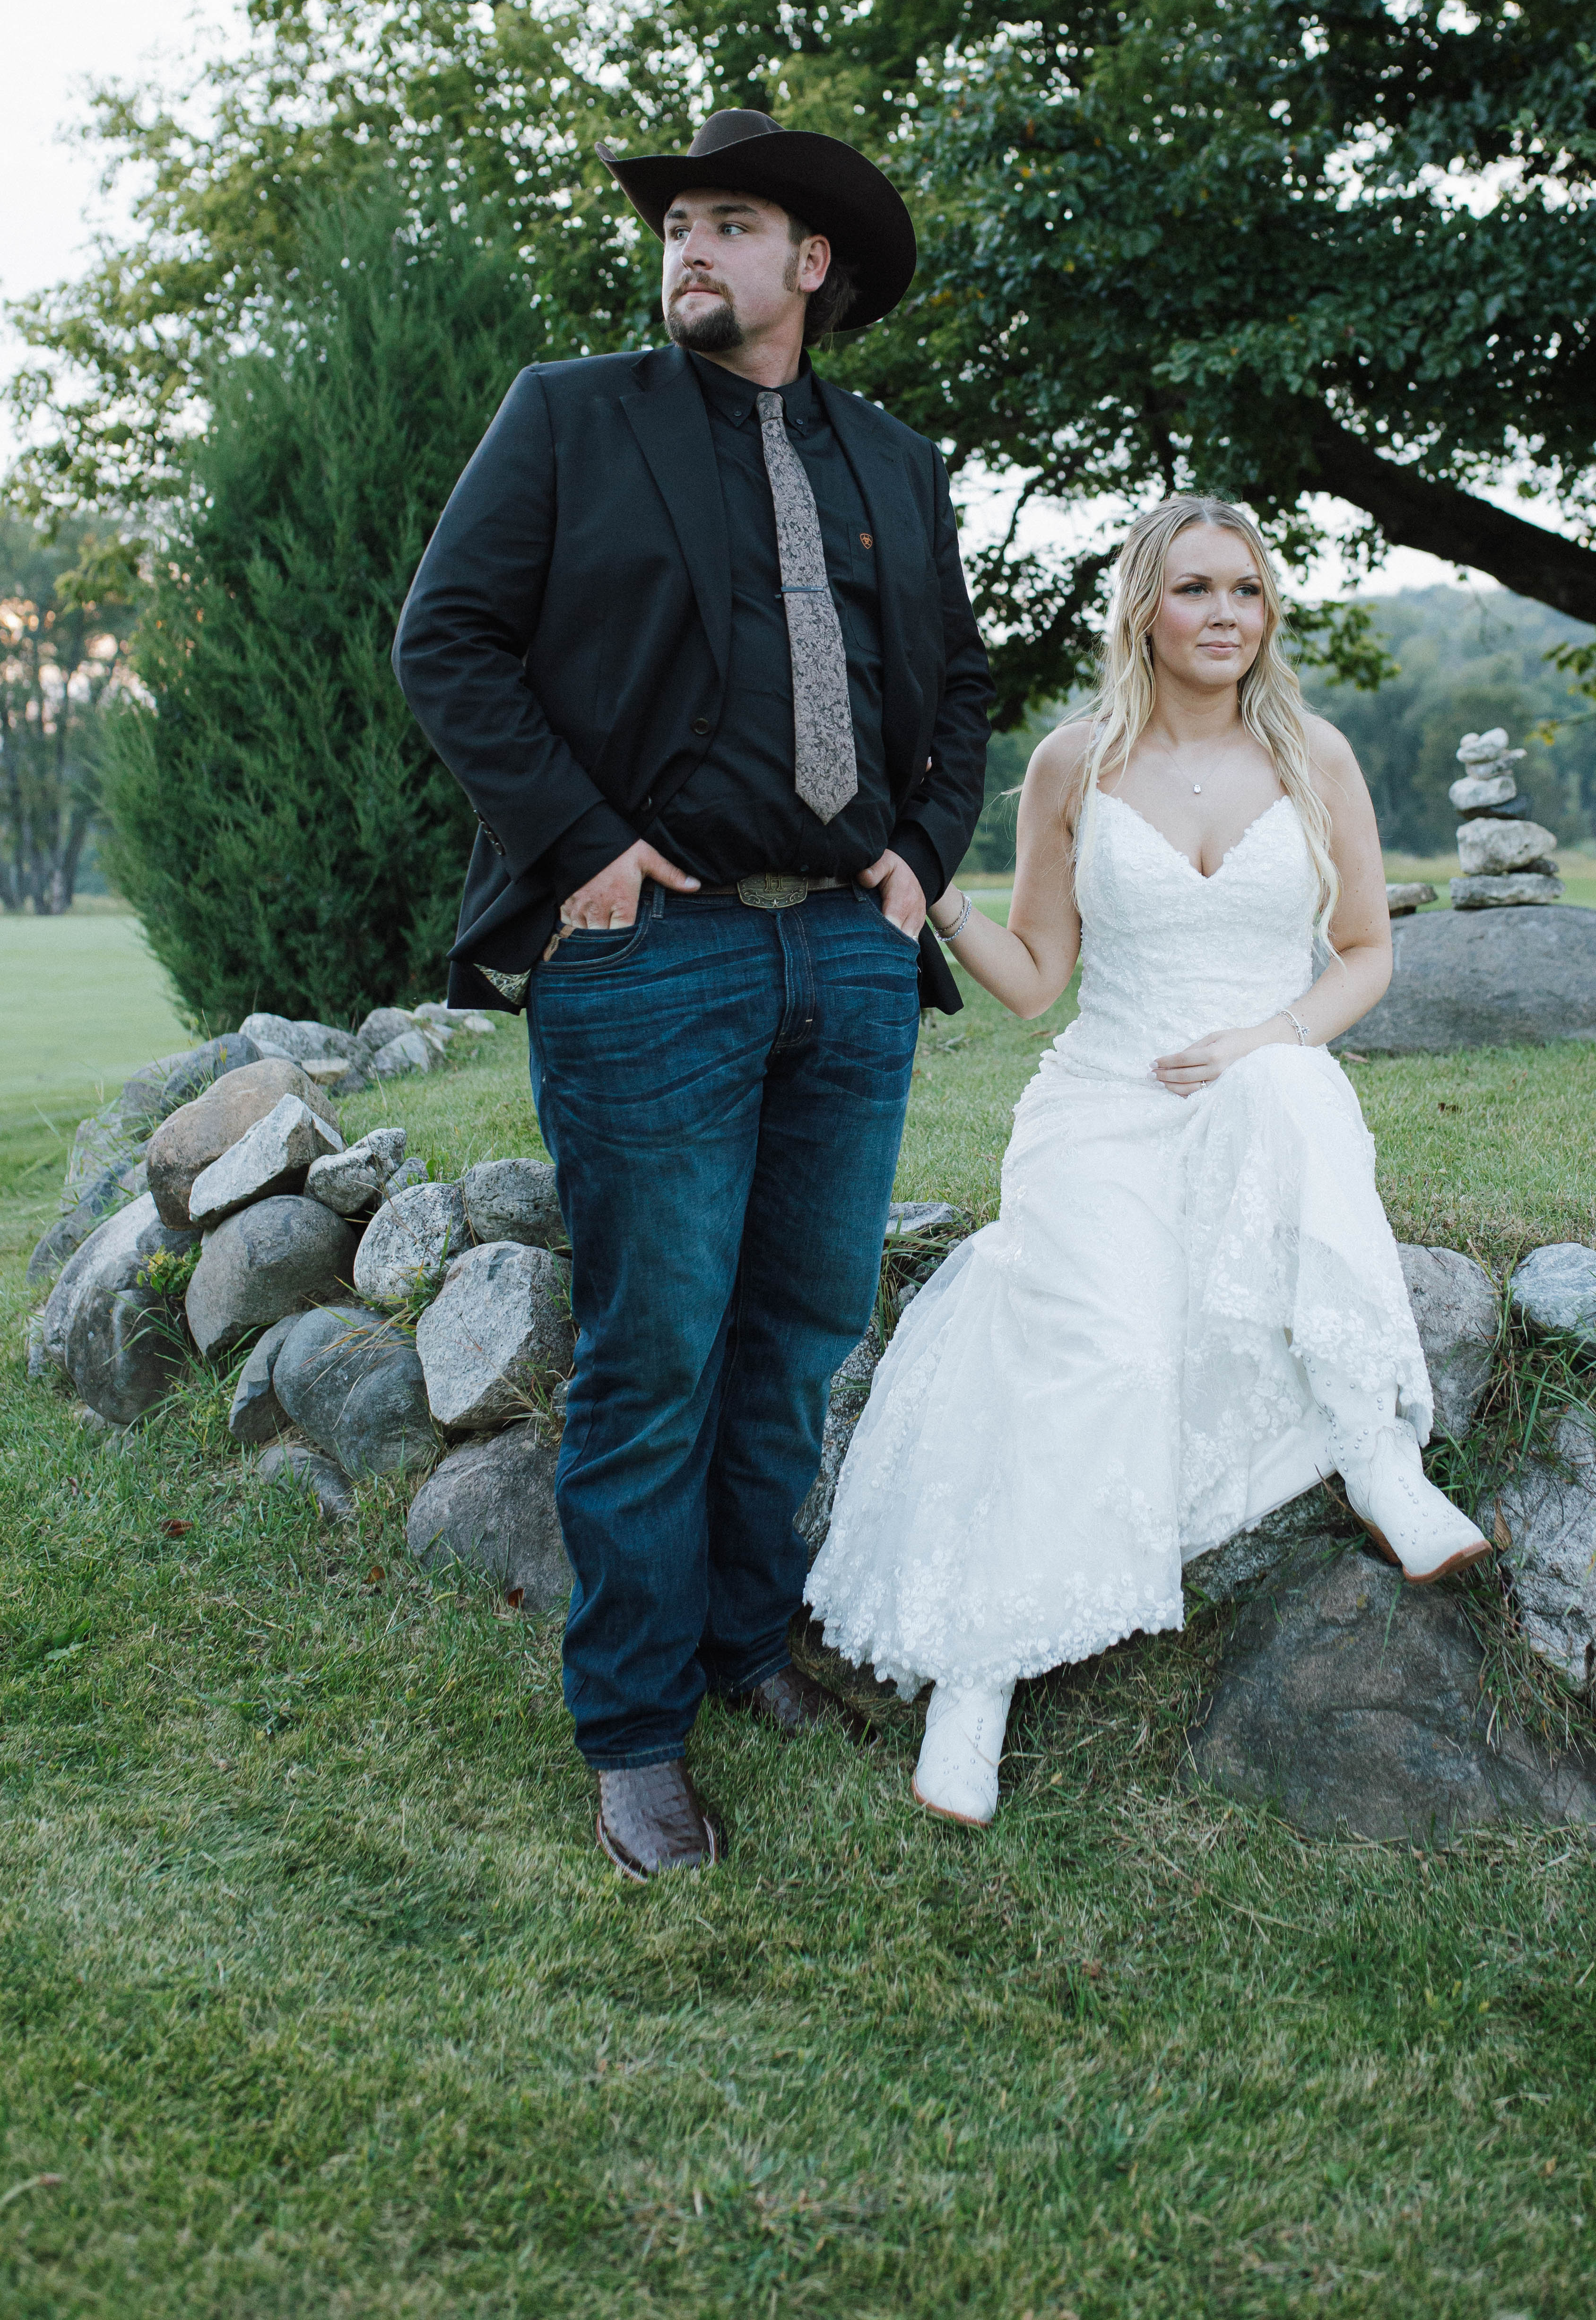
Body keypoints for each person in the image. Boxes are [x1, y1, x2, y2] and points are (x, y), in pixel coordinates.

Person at [393, 109, 994, 1879]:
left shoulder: (893, 459)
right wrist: (581, 832)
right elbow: (449, 641)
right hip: (655, 954)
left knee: (799, 1333)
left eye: (731, 227)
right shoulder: (570, 417)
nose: (689, 252)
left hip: (851, 958)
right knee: (654, 1348)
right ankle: (637, 1728)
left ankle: (747, 1645)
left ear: (812, 266)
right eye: (677, 227)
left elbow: (953, 688)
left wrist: (923, 856)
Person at [806, 495, 1489, 1825]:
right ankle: (979, 1678)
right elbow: (1037, 980)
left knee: (1295, 1090)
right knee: (1103, 1353)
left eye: (1245, 590)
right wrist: (940, 896)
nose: (1226, 615)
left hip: (1263, 1089)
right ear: (1145, 608)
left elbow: (1366, 954)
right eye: (1196, 591)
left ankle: (1378, 1458)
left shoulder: (1317, 758)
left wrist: (1269, 1033)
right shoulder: (1074, 763)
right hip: (1106, 1105)